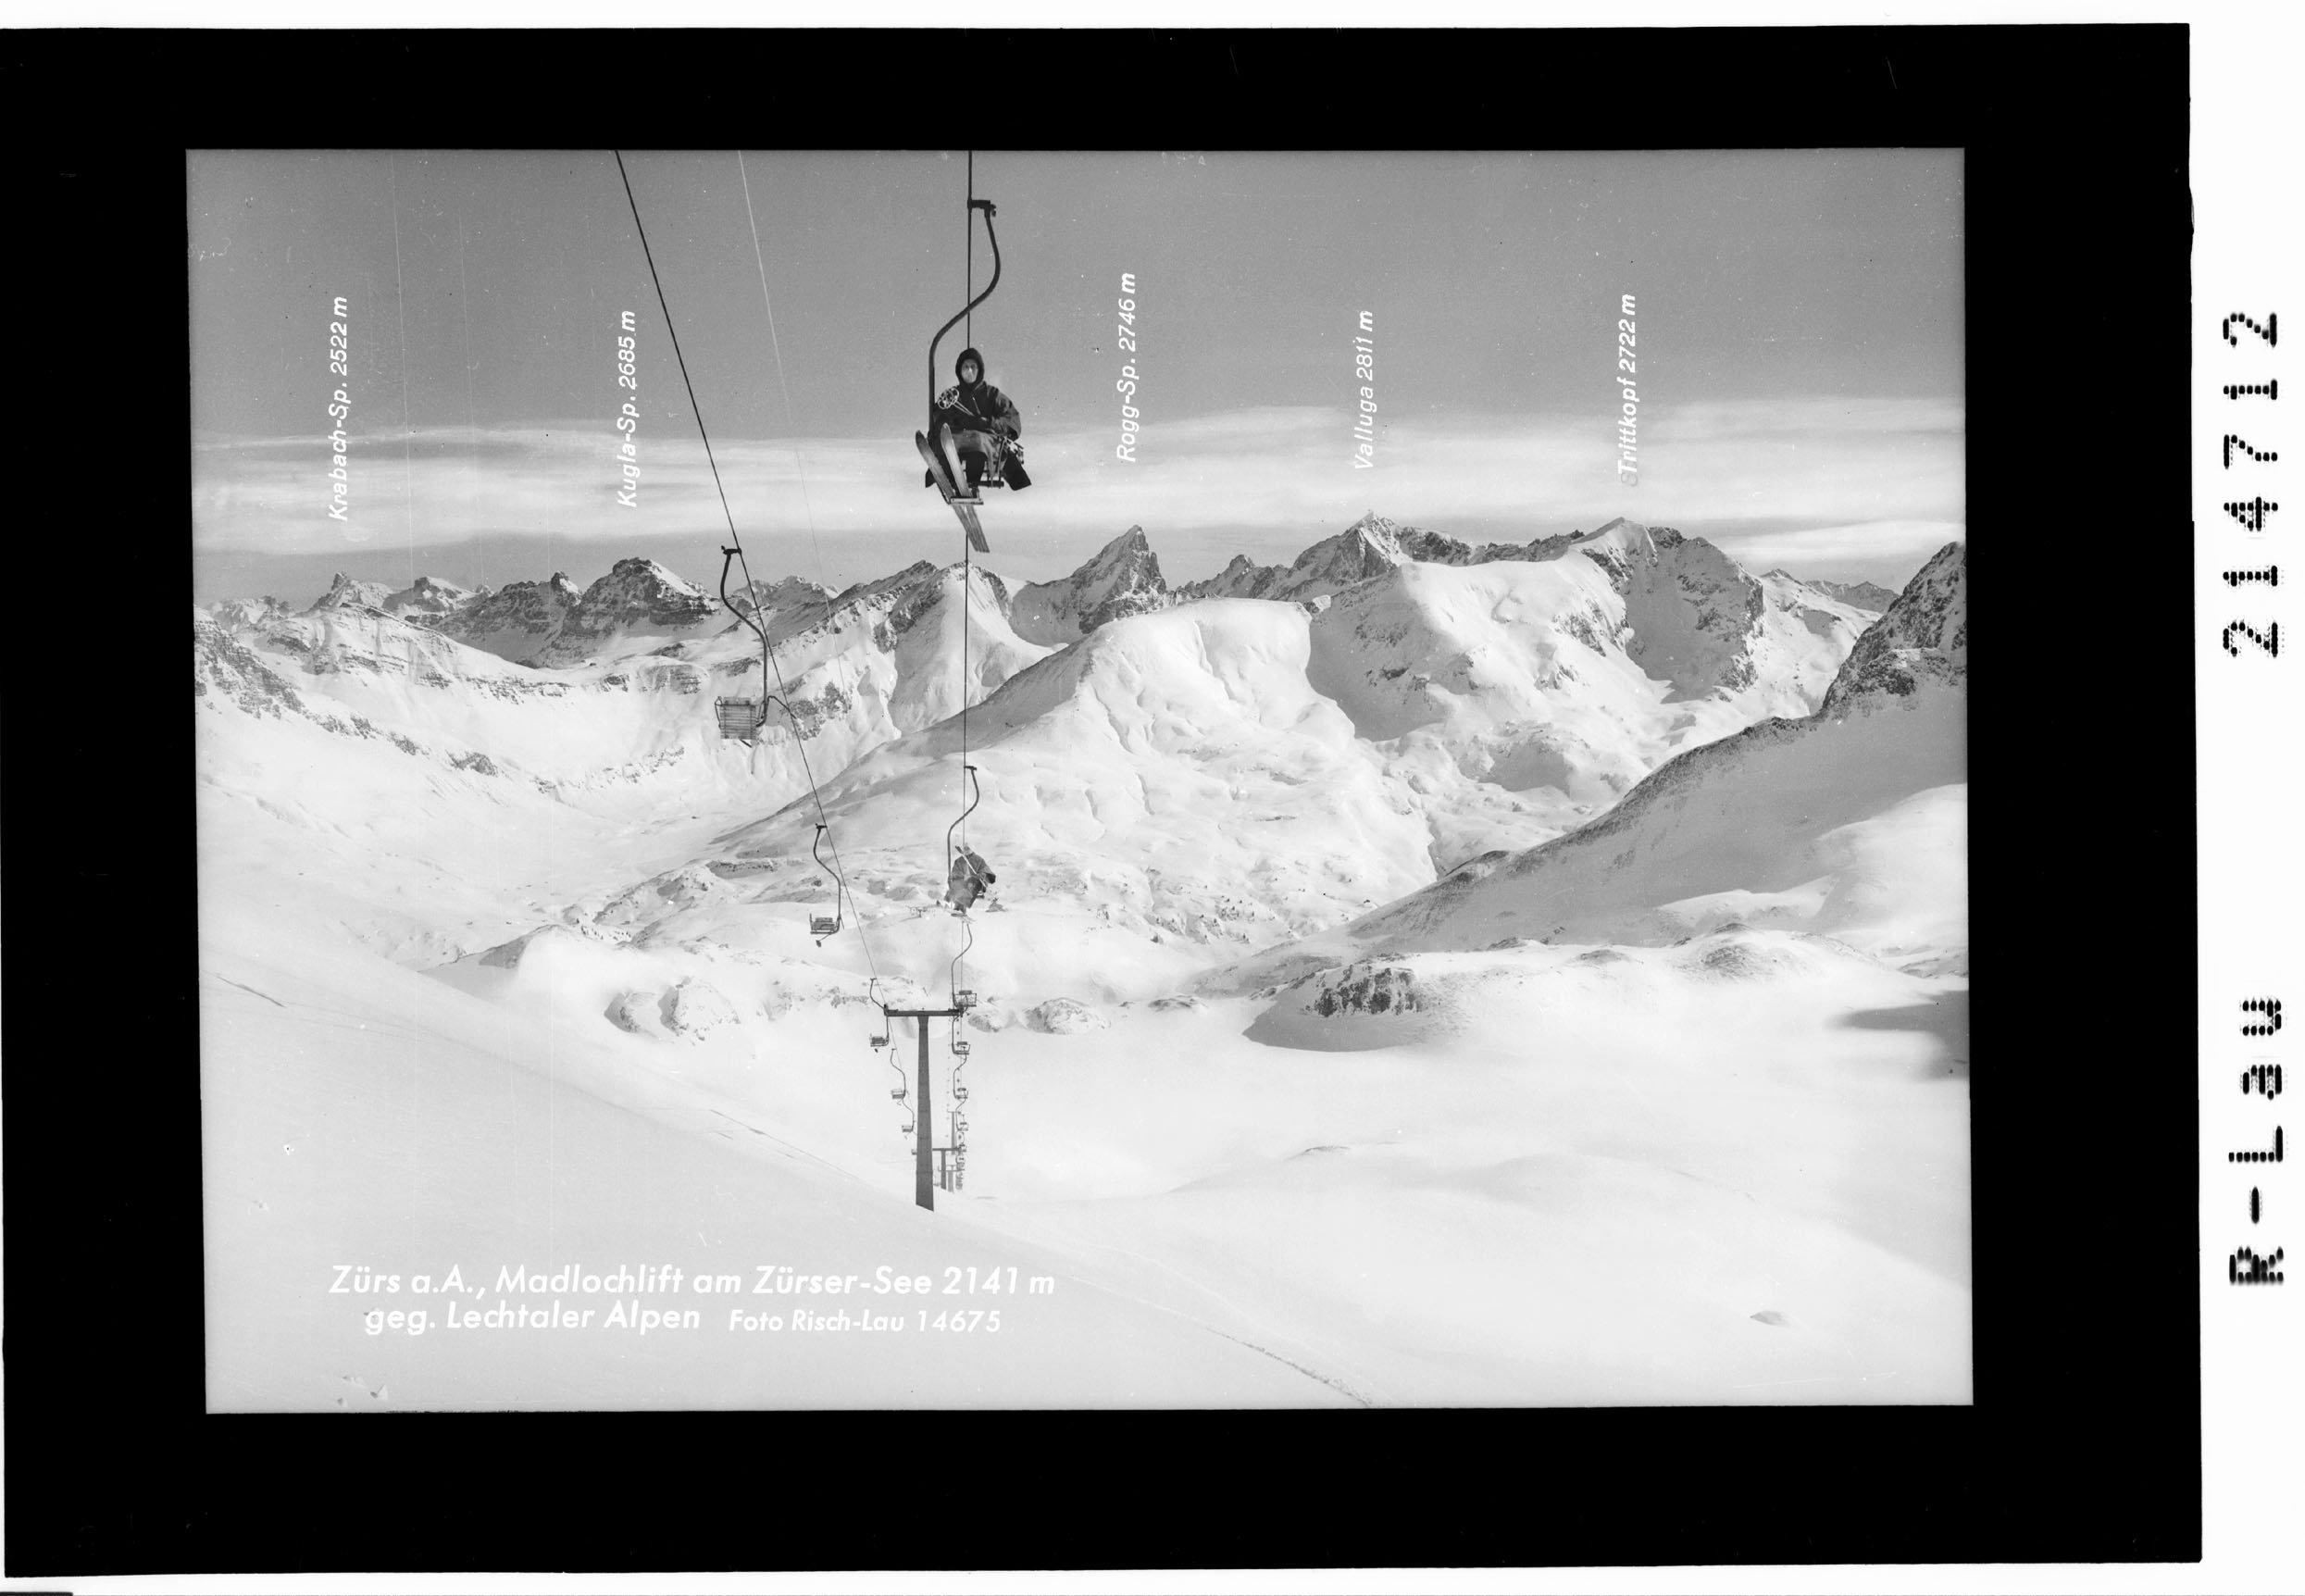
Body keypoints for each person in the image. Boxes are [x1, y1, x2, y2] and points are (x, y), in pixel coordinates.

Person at [931, 347, 1026, 493]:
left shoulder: (992, 395)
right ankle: (951, 482)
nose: (969, 371)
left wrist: (987, 423)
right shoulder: (952, 397)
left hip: (983, 444)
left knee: (977, 441)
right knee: (947, 444)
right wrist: (954, 423)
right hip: (958, 442)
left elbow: (1011, 419)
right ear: (959, 370)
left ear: (979, 370)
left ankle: (972, 483)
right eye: (965, 367)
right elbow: (939, 418)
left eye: (973, 367)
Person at [946, 845, 996, 915]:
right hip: (962, 881)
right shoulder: (959, 861)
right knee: (958, 884)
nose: (966, 849)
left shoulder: (979, 860)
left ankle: (960, 907)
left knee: (971, 884)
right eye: (965, 848)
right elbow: (955, 872)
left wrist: (983, 874)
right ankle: (958, 906)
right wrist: (958, 875)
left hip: (974, 881)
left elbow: (986, 871)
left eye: (968, 848)